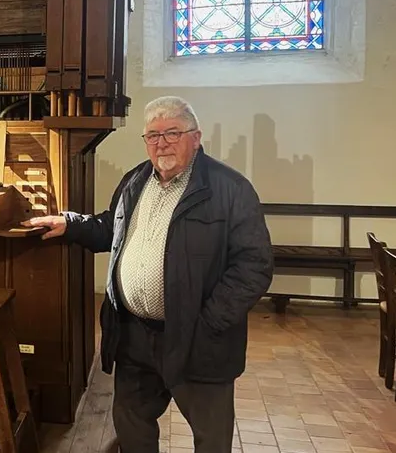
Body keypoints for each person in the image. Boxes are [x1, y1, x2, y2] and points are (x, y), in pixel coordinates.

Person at [24, 96, 273, 453]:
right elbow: (112, 228)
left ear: (196, 137)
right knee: (133, 424)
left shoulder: (230, 189)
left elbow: (254, 265)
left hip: (198, 339)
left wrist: (208, 323)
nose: (162, 143)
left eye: (173, 132)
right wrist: (70, 223)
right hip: (135, 333)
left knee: (211, 436)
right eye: (153, 135)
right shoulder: (135, 180)